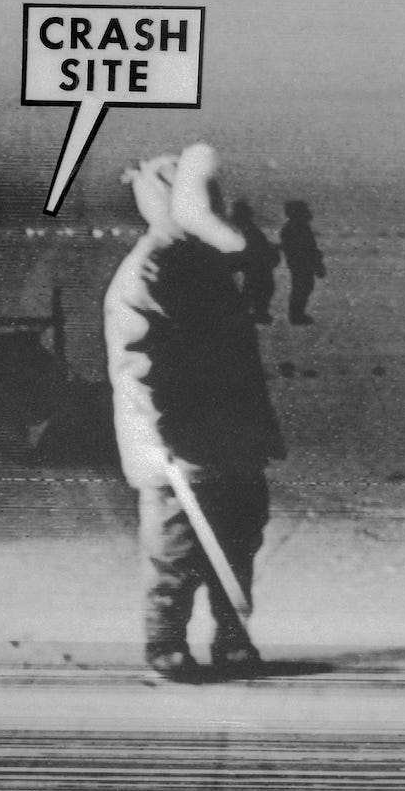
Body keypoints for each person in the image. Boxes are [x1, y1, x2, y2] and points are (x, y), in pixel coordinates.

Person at [104, 143, 286, 681]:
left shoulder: (202, 261)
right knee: (176, 548)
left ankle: (232, 637)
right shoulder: (148, 272)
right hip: (179, 443)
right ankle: (165, 644)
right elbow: (138, 365)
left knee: (237, 539)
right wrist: (163, 442)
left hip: (231, 434)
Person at [279, 200, 326, 324]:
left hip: (299, 263)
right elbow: (307, 248)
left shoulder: (292, 227)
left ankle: (297, 315)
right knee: (302, 289)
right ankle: (296, 316)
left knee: (303, 288)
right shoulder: (297, 227)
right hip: (301, 264)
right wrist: (317, 263)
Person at [231, 200, 279, 323]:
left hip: (257, 273)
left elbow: (250, 254)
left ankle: (251, 316)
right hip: (260, 273)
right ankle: (258, 314)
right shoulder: (251, 231)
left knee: (250, 297)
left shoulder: (250, 232)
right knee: (256, 296)